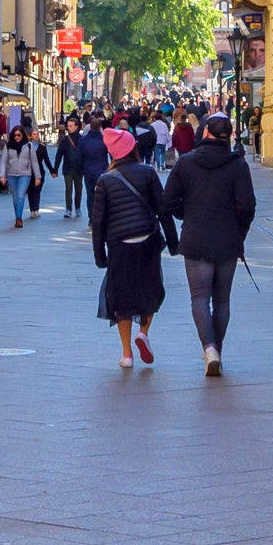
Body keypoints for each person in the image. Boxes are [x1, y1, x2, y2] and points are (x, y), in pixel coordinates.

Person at [164, 114, 256, 377]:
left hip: (196, 238)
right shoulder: (238, 165)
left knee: (199, 297)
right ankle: (218, 349)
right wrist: (240, 231)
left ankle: (209, 349)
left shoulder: (186, 163)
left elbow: (168, 201)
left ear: (205, 133)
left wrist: (187, 214)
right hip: (227, 240)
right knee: (222, 300)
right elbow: (247, 206)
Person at [91, 127, 179, 368]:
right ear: (133, 148)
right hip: (148, 240)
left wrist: (100, 256)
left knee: (121, 298)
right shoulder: (148, 173)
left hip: (120, 244)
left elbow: (98, 222)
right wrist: (173, 243)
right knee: (151, 289)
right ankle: (144, 333)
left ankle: (127, 354)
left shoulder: (105, 180)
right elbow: (163, 211)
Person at [0, 126, 36, 228]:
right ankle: (17, 216)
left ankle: (19, 218)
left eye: (19, 135)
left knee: (20, 195)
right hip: (12, 175)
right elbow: (3, 161)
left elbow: (34, 162)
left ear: (22, 135)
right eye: (15, 135)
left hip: (25, 174)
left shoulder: (29, 146)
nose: (17, 137)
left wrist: (38, 176)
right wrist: (2, 175)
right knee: (15, 198)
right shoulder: (8, 146)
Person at [52, 116, 86, 219]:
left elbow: (85, 154)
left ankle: (78, 208)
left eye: (71, 126)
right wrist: (55, 169)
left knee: (79, 188)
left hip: (79, 168)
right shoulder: (65, 140)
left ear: (76, 127)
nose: (69, 128)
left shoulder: (81, 139)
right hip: (68, 168)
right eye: (68, 126)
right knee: (68, 189)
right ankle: (68, 209)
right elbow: (59, 155)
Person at [78, 117, 111, 221]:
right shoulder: (104, 140)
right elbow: (111, 153)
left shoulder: (83, 141)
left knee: (90, 194)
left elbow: (79, 157)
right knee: (102, 195)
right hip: (102, 170)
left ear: (90, 127)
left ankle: (91, 219)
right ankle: (101, 218)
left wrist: (81, 169)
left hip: (88, 171)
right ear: (100, 127)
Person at [28, 126, 54, 217]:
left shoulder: (42, 147)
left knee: (37, 191)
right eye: (34, 134)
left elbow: (46, 160)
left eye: (37, 134)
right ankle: (32, 209)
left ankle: (36, 209)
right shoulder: (27, 146)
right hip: (29, 172)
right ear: (30, 136)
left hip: (40, 171)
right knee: (30, 191)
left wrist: (52, 171)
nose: (36, 136)